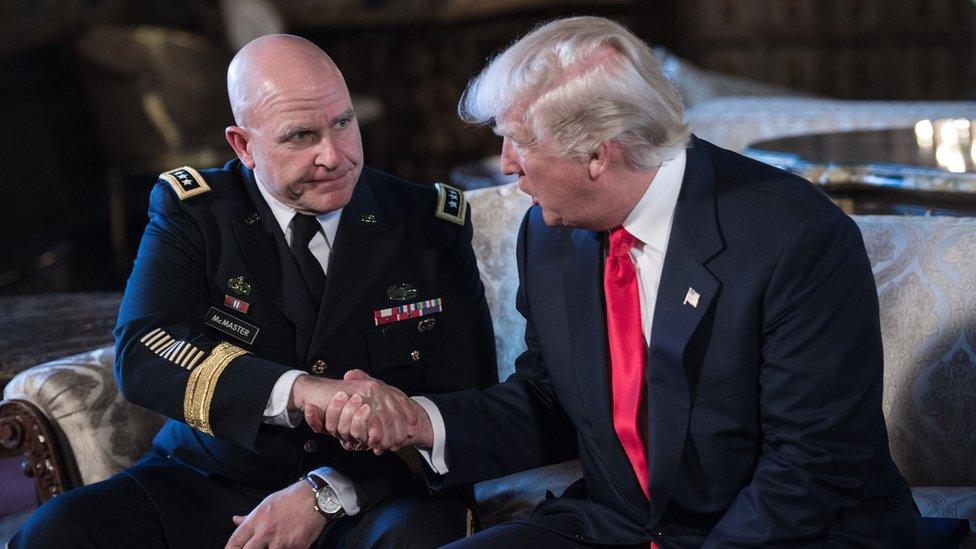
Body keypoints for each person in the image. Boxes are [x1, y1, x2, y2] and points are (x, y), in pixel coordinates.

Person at [319, 16, 925, 547]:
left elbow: (812, 467)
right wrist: (422, 422)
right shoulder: (550, 234)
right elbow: (550, 400)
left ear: (598, 155)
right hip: (620, 525)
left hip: (781, 532)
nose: (505, 164)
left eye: (520, 141)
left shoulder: (795, 237)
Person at [12, 34, 496, 548]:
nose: (334, 156)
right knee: (58, 531)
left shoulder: (426, 224)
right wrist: (301, 390)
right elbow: (143, 351)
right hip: (212, 481)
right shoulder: (197, 214)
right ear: (243, 145)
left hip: (370, 490)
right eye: (299, 136)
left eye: (343, 123)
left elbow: (467, 404)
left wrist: (326, 494)